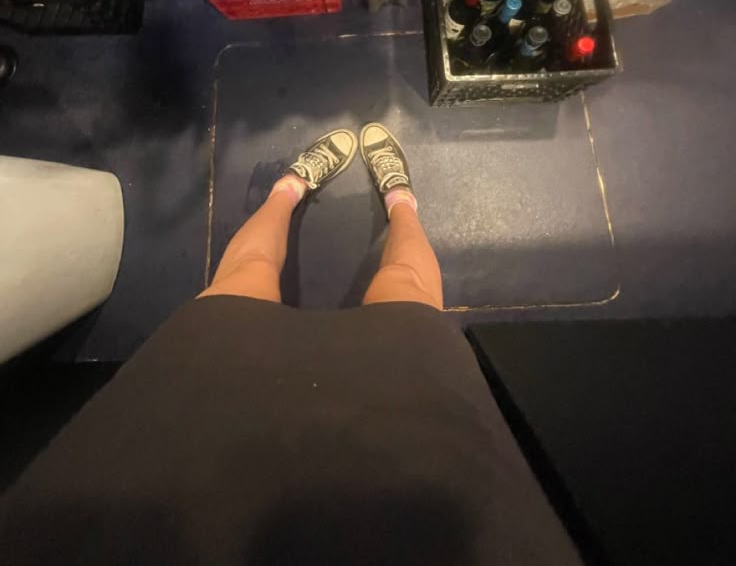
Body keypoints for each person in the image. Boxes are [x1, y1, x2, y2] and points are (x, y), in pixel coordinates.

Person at [0, 124, 582, 565]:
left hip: (171, 468)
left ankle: (296, 189)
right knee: (407, 297)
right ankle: (389, 197)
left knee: (242, 282)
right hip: (418, 491)